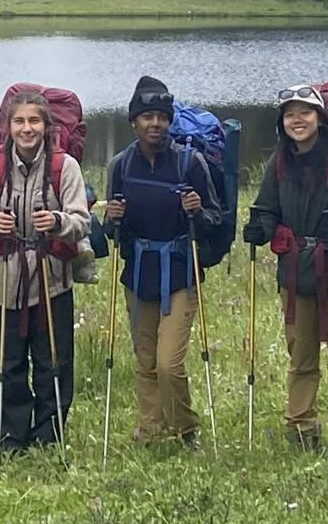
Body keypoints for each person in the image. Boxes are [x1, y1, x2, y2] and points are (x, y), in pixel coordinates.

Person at [242, 85, 328, 457]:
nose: (297, 120)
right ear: (281, 123)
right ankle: (302, 429)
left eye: (305, 113)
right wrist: (260, 228)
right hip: (295, 272)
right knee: (300, 355)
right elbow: (267, 208)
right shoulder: (280, 163)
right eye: (289, 114)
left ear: (320, 118)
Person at [0, 90, 91, 454]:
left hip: (52, 280)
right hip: (4, 282)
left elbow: (82, 222)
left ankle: (49, 437)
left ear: (46, 126)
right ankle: (12, 438)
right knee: (9, 361)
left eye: (34, 121)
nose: (26, 129)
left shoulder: (64, 166)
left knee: (53, 361)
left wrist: (56, 221)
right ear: (8, 127)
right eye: (19, 121)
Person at [104, 76, 222, 449]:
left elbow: (215, 221)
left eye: (162, 117)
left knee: (169, 363)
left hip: (180, 275)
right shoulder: (120, 166)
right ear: (133, 122)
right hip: (138, 275)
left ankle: (186, 430)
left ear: (170, 121)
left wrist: (198, 210)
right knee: (145, 361)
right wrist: (112, 219)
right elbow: (113, 232)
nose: (155, 124)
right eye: (147, 117)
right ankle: (152, 430)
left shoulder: (191, 163)